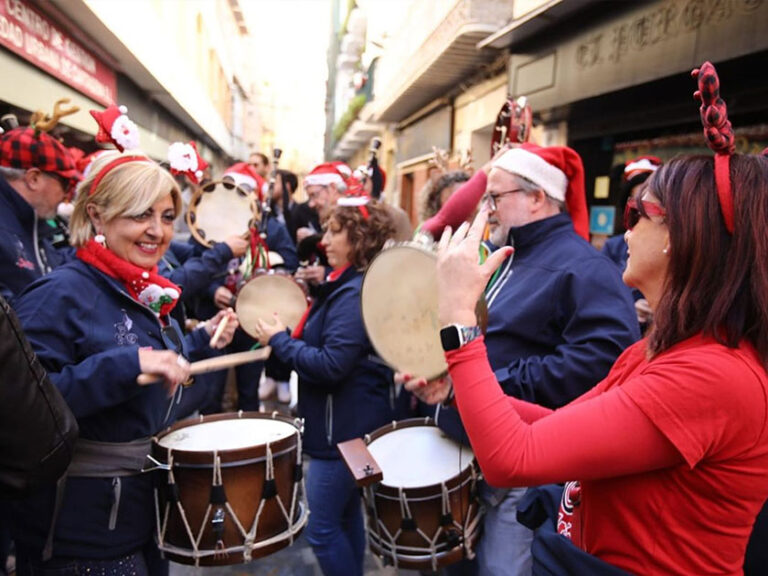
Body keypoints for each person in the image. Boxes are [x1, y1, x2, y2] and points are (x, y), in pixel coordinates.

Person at [429, 149, 768, 574]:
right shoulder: (664, 349)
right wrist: (458, 392)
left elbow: (512, 457)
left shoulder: (712, 375)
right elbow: (552, 425)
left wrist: (459, 319)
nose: (625, 230)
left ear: (681, 234)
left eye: (637, 213)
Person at [409, 144, 640, 576]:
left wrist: (492, 384)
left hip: (524, 463)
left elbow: (599, 363)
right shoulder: (508, 256)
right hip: (475, 449)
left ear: (537, 197)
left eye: (495, 197)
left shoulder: (585, 268)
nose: (487, 210)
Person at [9, 150, 238, 575]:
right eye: (140, 214)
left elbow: (154, 369)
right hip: (81, 533)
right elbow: (24, 409)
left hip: (143, 512)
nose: (157, 231)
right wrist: (126, 366)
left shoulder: (141, 288)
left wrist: (202, 341)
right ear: (97, 216)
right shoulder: (58, 295)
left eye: (166, 217)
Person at [251, 200, 396, 576]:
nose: (324, 240)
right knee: (347, 517)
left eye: (334, 232)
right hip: (349, 430)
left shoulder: (352, 293)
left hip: (342, 436)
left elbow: (332, 365)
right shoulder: (346, 285)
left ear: (359, 239)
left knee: (322, 529)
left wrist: (280, 340)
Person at [0, 118, 79, 301]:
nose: (66, 195)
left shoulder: (29, 223)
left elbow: (51, 267)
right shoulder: (8, 229)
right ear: (33, 178)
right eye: (65, 184)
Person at [602, 156, 662, 331]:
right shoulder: (614, 247)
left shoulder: (678, 245)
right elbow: (603, 294)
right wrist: (629, 309)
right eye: (635, 203)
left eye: (647, 204)